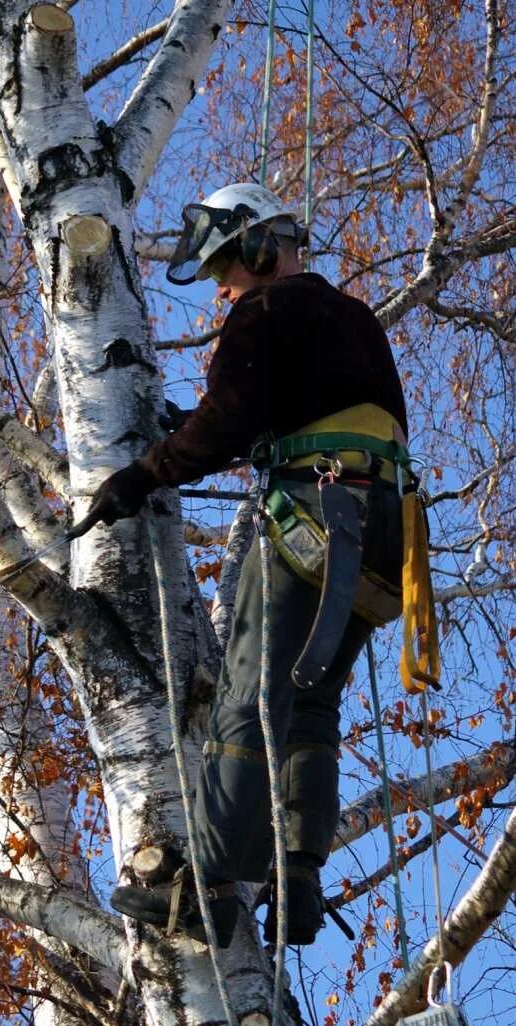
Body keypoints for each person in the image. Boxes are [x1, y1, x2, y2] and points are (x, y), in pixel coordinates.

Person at [88, 183, 408, 948]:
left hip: (319, 516)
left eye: (227, 267)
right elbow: (281, 413)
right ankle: (299, 870)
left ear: (262, 249)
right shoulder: (355, 319)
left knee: (249, 697)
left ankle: (202, 884)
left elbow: (230, 421)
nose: (223, 287)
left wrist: (141, 474)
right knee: (311, 705)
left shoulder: (263, 314)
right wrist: (202, 430)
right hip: (386, 535)